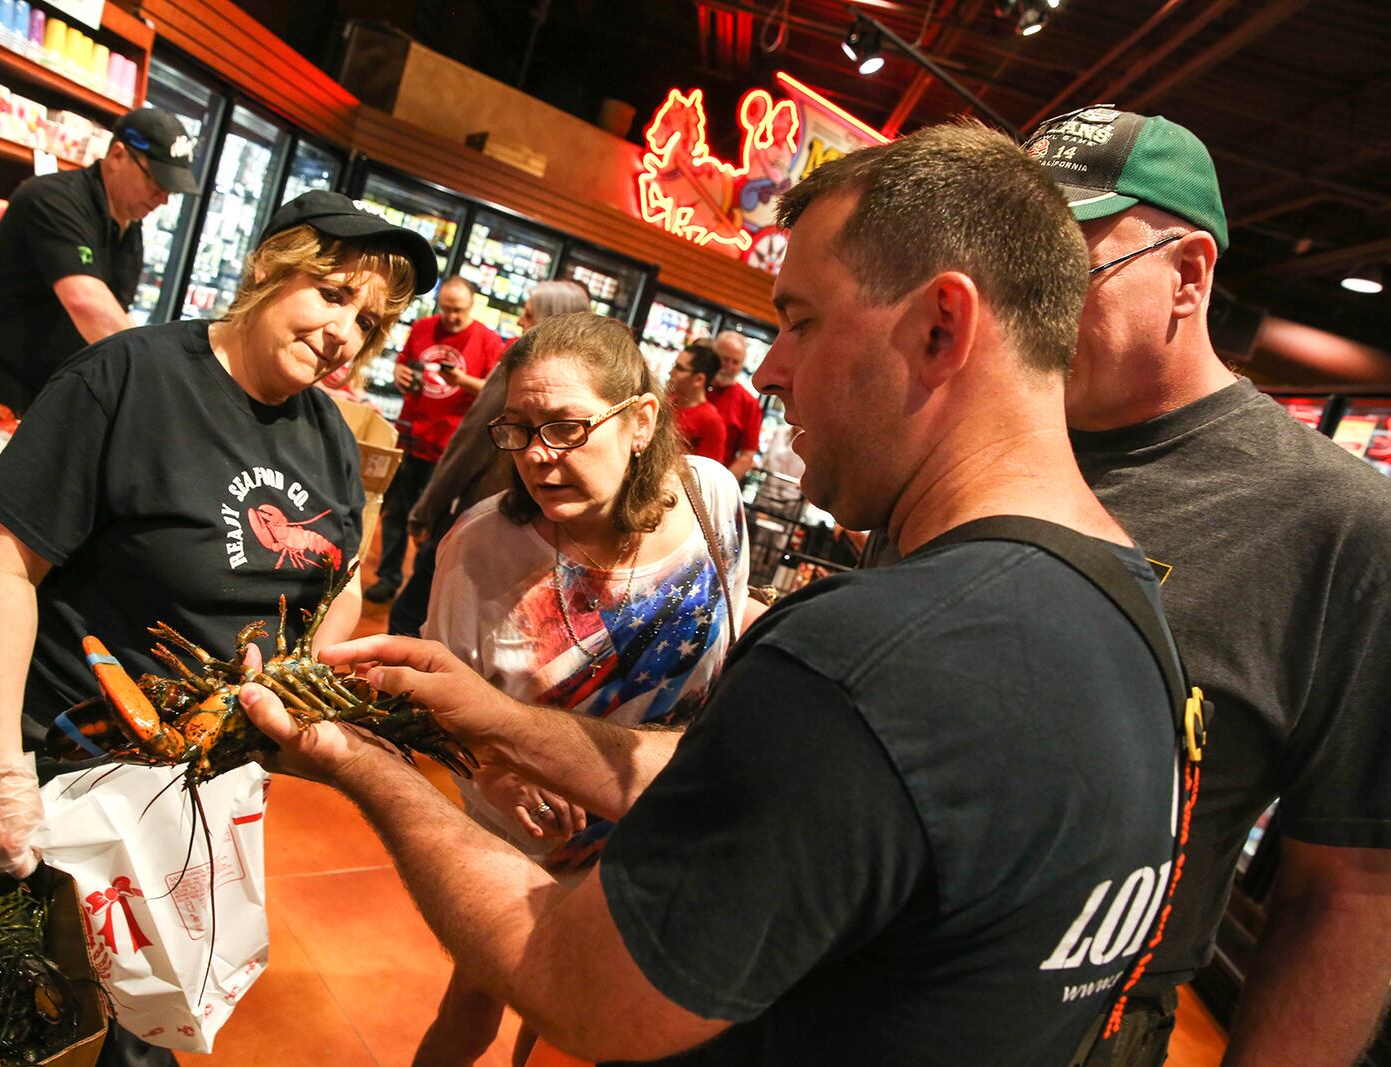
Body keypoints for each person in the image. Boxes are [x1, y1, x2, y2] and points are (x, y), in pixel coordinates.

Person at [240, 124, 1184, 1064]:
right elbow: (751, 789)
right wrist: (494, 718)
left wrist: (369, 765)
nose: (769, 369)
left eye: (802, 319)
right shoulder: (1132, 609)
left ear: (942, 325)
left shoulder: (863, 663)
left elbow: (579, 980)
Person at [1022, 106, 1391, 1067]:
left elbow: (1348, 887)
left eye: (1063, 272)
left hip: (1074, 1027)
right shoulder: (977, 437)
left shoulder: (1338, 522)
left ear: (1187, 275)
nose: (1024, 307)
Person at [0, 190, 437, 883]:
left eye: (366, 321)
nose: (343, 335)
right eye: (331, 295)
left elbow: (343, 579)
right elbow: (1, 565)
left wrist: (301, 678)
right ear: (270, 266)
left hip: (211, 784)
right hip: (71, 772)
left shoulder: (331, 432)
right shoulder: (127, 376)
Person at [413, 311, 750, 1065]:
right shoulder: (481, 547)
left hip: (656, 825)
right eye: (518, 428)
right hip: (533, 832)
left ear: (639, 421)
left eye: (565, 427)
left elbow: (723, 644)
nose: (537, 455)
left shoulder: (713, 498)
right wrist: (498, 776)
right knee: (473, 1001)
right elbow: (437, 706)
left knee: (582, 1030)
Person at [0, 107, 199, 413]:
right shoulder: (52, 198)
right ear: (118, 156)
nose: (162, 198)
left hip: (45, 390)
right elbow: (85, 301)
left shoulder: (130, 229)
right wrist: (154, 381)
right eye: (156, 182)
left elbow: (115, 315)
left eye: (170, 191)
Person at [387, 279, 593, 637]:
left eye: (528, 314)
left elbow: (470, 443)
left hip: (486, 512)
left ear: (548, 319)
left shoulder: (520, 366)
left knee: (414, 613)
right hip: (545, 532)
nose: (520, 323)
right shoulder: (589, 380)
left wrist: (427, 510)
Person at [364, 277, 505, 604]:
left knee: (433, 522)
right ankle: (388, 577)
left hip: (450, 447)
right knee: (396, 513)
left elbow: (493, 392)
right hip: (411, 435)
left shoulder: (488, 340)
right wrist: (399, 375)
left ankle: (422, 585)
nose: (451, 317)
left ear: (472, 305)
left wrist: (461, 380)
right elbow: (403, 365)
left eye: (458, 310)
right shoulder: (424, 327)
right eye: (446, 309)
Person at [705, 330, 764, 480]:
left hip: (712, 480)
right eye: (725, 359)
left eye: (735, 362)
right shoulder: (695, 385)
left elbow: (747, 456)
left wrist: (720, 486)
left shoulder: (749, 403)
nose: (729, 367)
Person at [666, 342, 728, 463]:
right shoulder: (668, 402)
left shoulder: (711, 422)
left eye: (679, 368)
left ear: (698, 379)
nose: (671, 372)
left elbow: (704, 475)